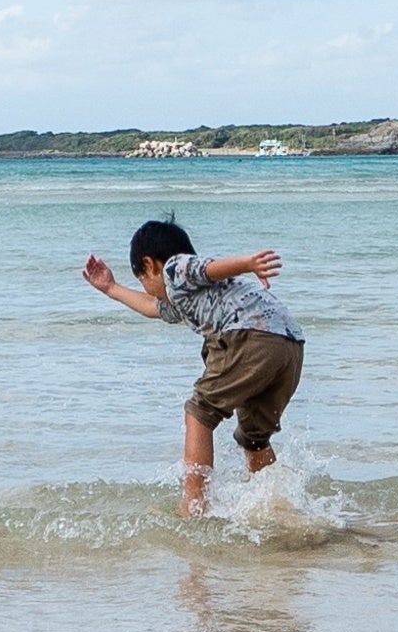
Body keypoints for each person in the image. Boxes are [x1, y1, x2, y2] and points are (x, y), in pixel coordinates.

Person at [78, 217, 301, 516]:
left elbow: (207, 268)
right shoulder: (186, 298)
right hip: (289, 346)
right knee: (254, 437)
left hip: (251, 336)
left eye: (143, 279)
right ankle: (276, 505)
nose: (148, 288)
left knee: (200, 411)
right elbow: (151, 307)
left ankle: (194, 505)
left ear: (151, 264)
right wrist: (111, 288)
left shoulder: (174, 269)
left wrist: (247, 263)